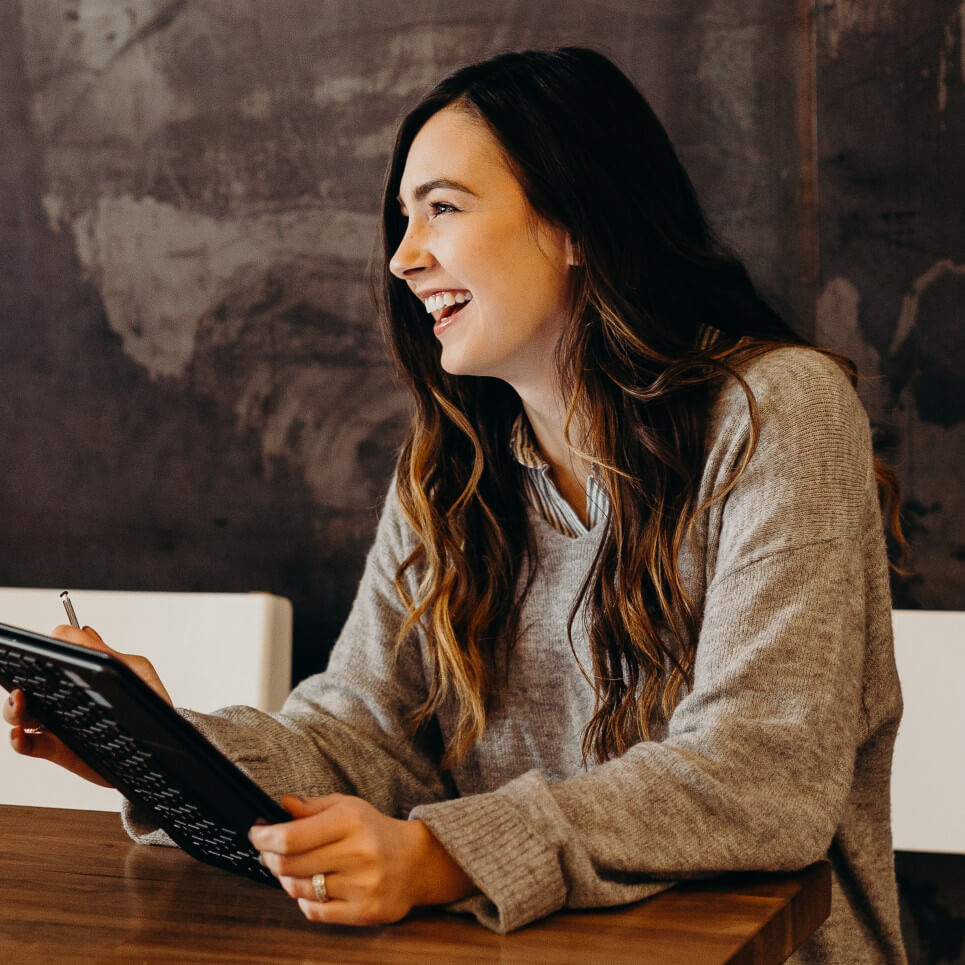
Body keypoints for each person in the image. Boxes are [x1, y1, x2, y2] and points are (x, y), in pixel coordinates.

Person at [4, 47, 906, 962]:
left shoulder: (775, 410)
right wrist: (163, 752)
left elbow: (761, 775)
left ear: (574, 223)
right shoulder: (451, 468)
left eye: (442, 207)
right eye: (403, 218)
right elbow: (360, 737)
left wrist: (443, 855)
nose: (402, 258)